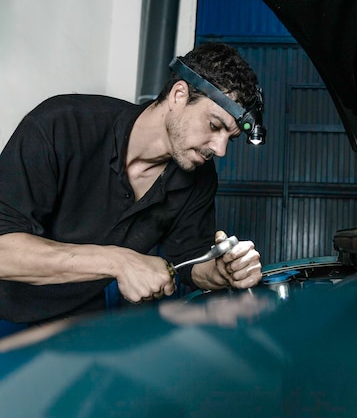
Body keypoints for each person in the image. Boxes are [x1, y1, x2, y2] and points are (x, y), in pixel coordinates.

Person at [0, 42, 264, 325]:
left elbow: (190, 259)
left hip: (75, 325)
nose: (221, 149)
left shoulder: (199, 177)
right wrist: (119, 261)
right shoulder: (59, 125)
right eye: (214, 126)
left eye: (230, 138)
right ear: (179, 95)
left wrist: (218, 271)